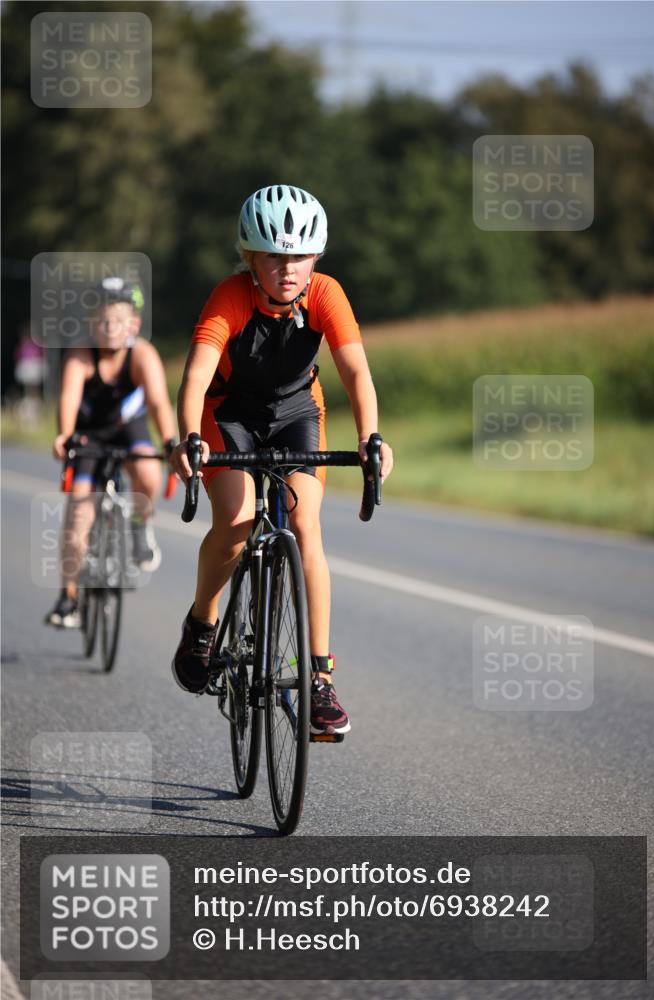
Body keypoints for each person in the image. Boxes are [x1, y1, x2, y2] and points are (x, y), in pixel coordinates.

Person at [170, 184, 393, 736]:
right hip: (228, 413)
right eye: (273, 255)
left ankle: (319, 679)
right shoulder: (230, 296)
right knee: (239, 520)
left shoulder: (325, 294)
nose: (287, 268)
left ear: (315, 256)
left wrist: (372, 439)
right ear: (251, 259)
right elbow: (196, 376)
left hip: (297, 409)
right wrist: (185, 440)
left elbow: (357, 373)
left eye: (298, 255)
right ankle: (202, 622)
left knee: (304, 526)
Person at [45, 277, 177, 628]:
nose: (109, 329)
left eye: (117, 322)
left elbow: (159, 403)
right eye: (102, 322)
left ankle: (139, 524)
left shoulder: (142, 353)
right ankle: (68, 597)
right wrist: (65, 434)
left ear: (133, 324)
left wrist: (169, 442)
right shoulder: (81, 353)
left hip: (127, 427)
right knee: (79, 511)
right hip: (89, 433)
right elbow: (69, 397)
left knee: (149, 472)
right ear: (92, 324)